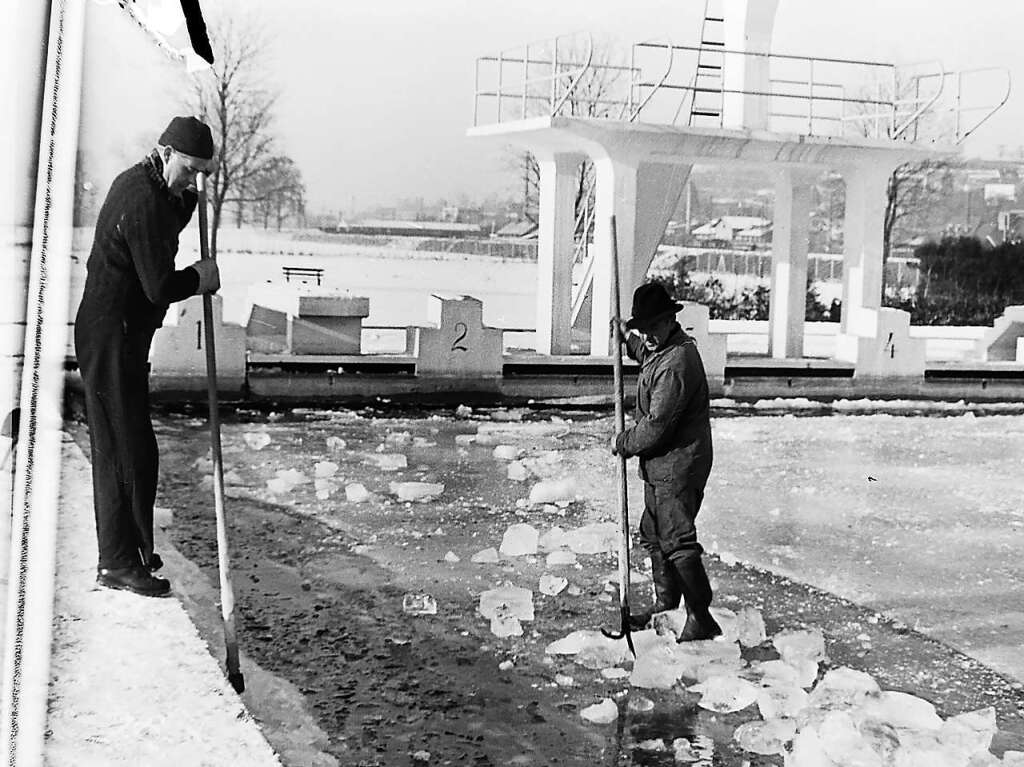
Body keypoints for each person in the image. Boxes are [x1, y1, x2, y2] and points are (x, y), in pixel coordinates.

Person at [74, 116, 220, 597]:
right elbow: (158, 284)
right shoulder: (141, 199)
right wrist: (199, 278)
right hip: (110, 335)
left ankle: (133, 548)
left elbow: (163, 221)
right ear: (165, 152)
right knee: (122, 450)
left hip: (121, 334)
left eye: (203, 173)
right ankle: (117, 562)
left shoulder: (152, 190)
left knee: (135, 448)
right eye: (189, 169)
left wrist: (186, 200)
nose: (194, 180)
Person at [611, 282, 721, 641]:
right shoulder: (662, 349)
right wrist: (628, 338)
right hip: (659, 466)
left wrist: (626, 442)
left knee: (676, 539)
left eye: (654, 327)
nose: (649, 336)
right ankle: (666, 605)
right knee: (654, 533)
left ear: (671, 320)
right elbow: (647, 355)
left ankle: (700, 616)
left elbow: (657, 425)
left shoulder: (677, 361)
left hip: (679, 464)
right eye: (644, 329)